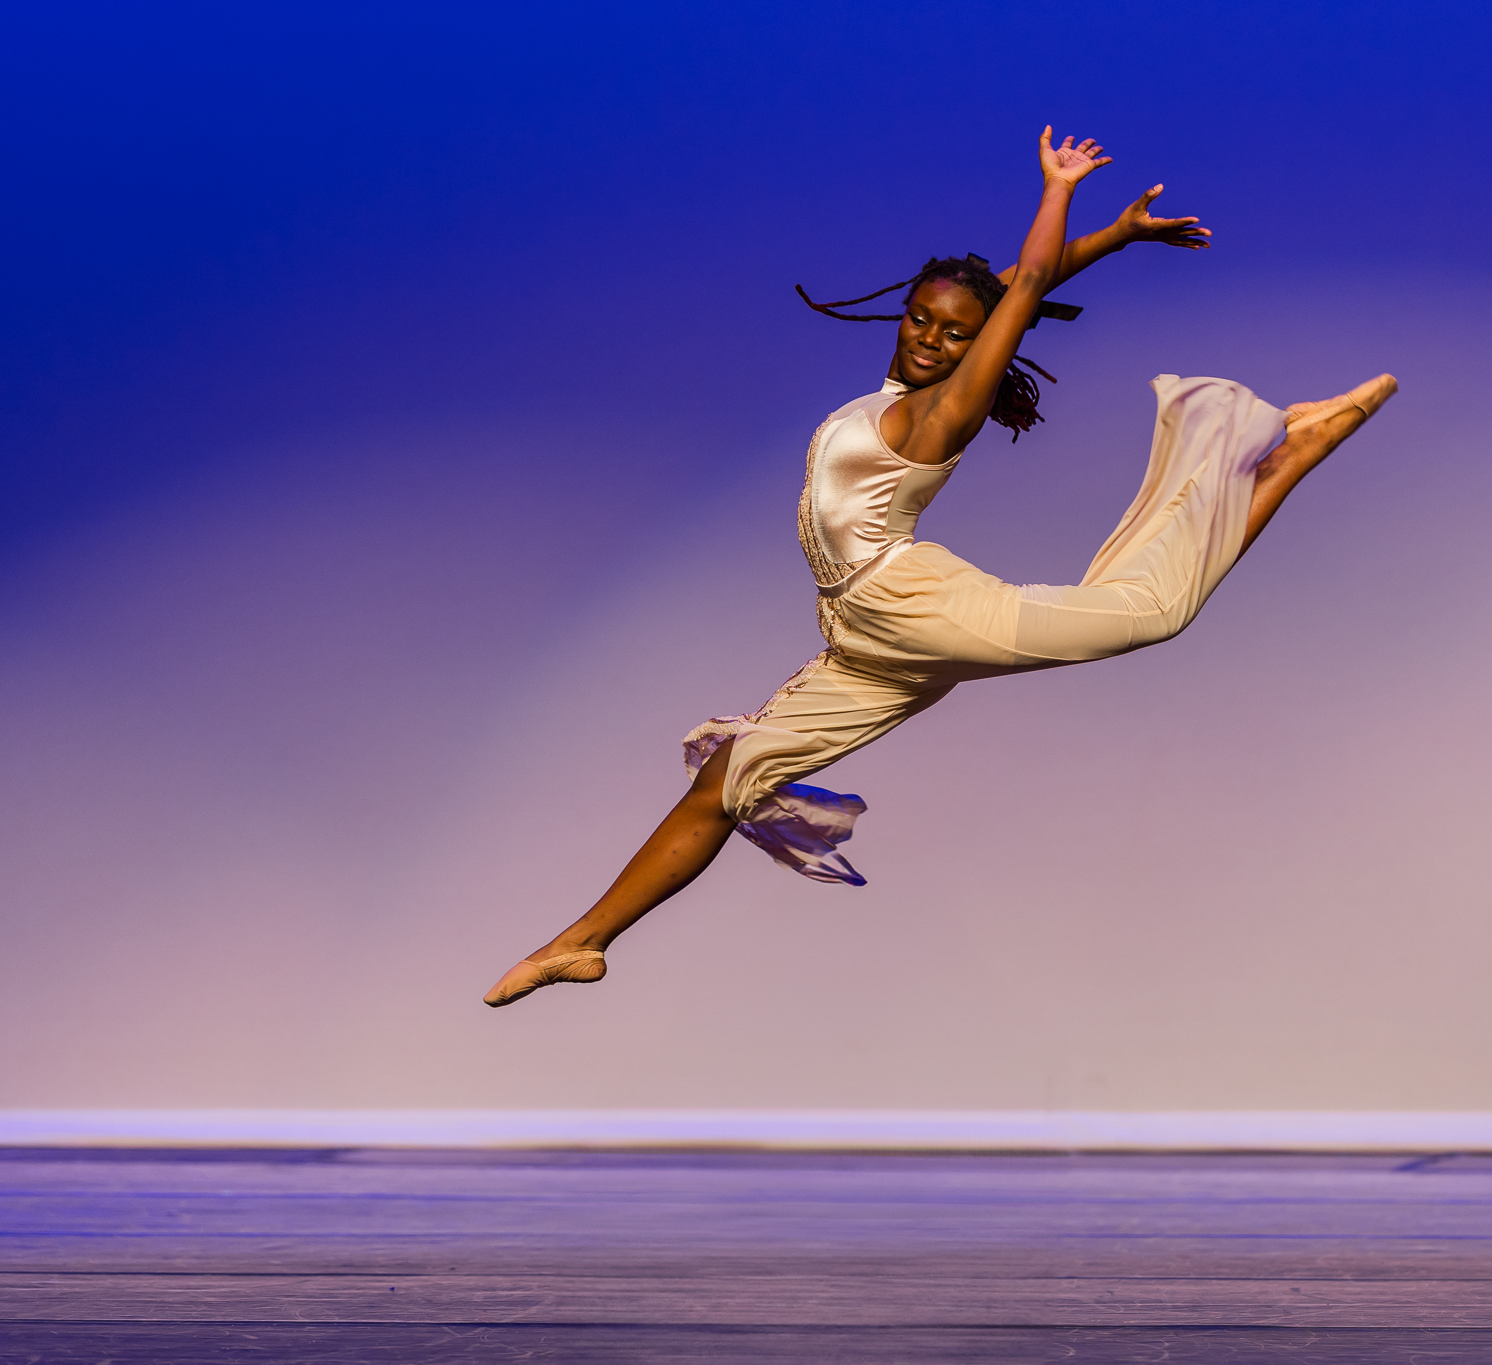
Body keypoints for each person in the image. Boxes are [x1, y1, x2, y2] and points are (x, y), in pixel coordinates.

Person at [485, 128, 1395, 1007]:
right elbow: (1012, 285)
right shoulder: (899, 388)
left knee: (1153, 609)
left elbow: (1026, 282)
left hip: (912, 603)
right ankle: (582, 943)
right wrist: (1116, 237)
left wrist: (1058, 188)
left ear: (979, 347)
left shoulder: (940, 415)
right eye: (920, 318)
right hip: (862, 636)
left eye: (956, 332)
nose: (930, 337)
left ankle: (1285, 450)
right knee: (730, 776)